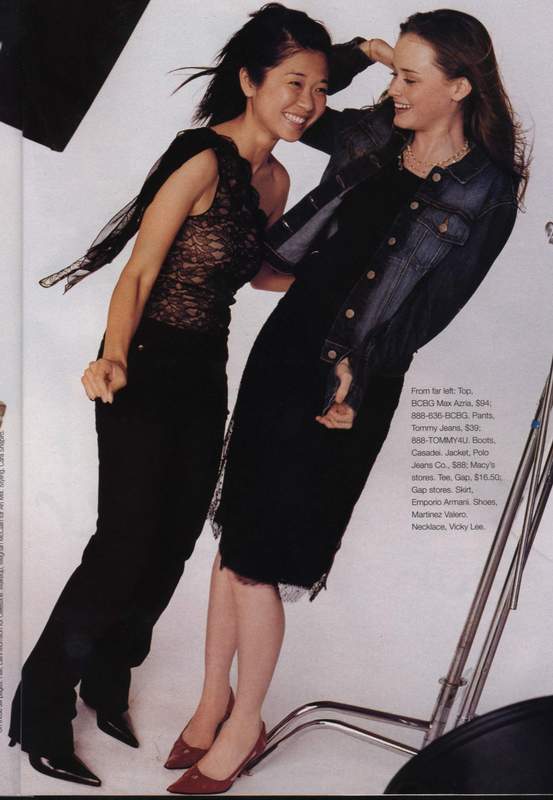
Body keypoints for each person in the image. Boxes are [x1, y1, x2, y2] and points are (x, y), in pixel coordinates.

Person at [164, 9, 529, 795]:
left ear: (459, 87)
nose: (394, 90)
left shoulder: (488, 191)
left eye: (410, 78)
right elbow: (299, 103)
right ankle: (209, 702)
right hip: (283, 351)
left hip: (349, 379)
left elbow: (431, 313)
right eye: (393, 73)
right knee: (234, 538)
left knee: (261, 559)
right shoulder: (373, 134)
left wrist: (354, 375)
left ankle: (245, 724)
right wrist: (360, 53)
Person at [8, 3, 333, 788]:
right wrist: (113, 357)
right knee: (123, 544)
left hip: (203, 370)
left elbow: (255, 270)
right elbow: (140, 271)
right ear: (250, 81)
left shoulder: (275, 178)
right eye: (293, 82)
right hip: (143, 361)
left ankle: (107, 678)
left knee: (175, 540)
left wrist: (332, 274)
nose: (308, 102)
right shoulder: (200, 160)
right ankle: (38, 709)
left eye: (321, 88)